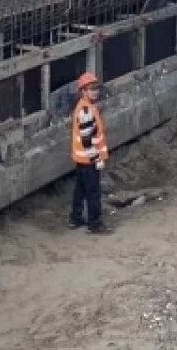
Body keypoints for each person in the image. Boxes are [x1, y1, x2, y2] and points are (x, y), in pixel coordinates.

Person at [69, 72, 112, 234]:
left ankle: (76, 218)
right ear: (83, 91)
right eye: (91, 89)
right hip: (89, 160)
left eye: (96, 89)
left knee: (80, 190)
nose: (95, 92)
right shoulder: (86, 110)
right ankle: (95, 224)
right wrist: (97, 159)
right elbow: (87, 139)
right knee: (93, 192)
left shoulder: (84, 106)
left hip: (82, 159)